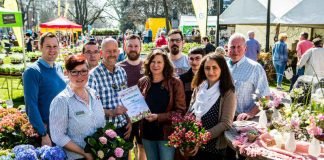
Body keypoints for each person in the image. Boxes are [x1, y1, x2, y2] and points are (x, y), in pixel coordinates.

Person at [50, 55, 105, 160]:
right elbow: (58, 136)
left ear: (88, 72)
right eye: (74, 72)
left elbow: (101, 124)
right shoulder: (61, 101)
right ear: (67, 73)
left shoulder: (94, 94)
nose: (80, 76)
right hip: (77, 157)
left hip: (98, 155)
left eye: (84, 71)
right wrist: (84, 153)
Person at [138, 48, 186, 160]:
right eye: (153, 62)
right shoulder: (142, 82)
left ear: (165, 64)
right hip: (147, 133)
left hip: (167, 135)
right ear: (148, 63)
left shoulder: (175, 83)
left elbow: (180, 112)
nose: (155, 65)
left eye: (159, 62)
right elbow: (137, 106)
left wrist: (158, 117)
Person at [186, 53, 236, 160]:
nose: (211, 72)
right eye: (207, 68)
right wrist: (184, 135)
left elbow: (226, 123)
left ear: (222, 69)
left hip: (213, 149)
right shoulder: (199, 88)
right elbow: (190, 112)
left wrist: (201, 138)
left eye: (215, 68)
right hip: (193, 145)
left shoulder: (228, 92)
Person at [88, 38, 132, 159]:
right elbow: (90, 107)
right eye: (108, 51)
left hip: (123, 129)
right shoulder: (93, 75)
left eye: (114, 51)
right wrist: (111, 112)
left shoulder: (122, 72)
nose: (112, 54)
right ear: (101, 53)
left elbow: (125, 100)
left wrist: (129, 120)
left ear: (118, 52)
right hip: (105, 133)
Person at [23, 32, 66, 146]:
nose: (52, 49)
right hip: (48, 132)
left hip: (64, 128)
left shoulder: (58, 67)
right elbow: (31, 105)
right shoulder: (32, 72)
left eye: (55, 46)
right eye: (48, 46)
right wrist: (43, 133)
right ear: (40, 47)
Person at [227, 33, 270, 121]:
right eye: (232, 47)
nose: (235, 50)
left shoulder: (255, 68)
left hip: (243, 120)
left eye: (239, 47)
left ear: (245, 49)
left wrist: (251, 113)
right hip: (222, 119)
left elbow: (265, 97)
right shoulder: (223, 66)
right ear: (227, 48)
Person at [117, 34, 146, 160]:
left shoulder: (148, 66)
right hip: (124, 116)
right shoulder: (118, 67)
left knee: (142, 147)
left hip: (143, 115)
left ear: (140, 47)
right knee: (126, 148)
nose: (133, 48)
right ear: (125, 47)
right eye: (130, 46)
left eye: (136, 46)